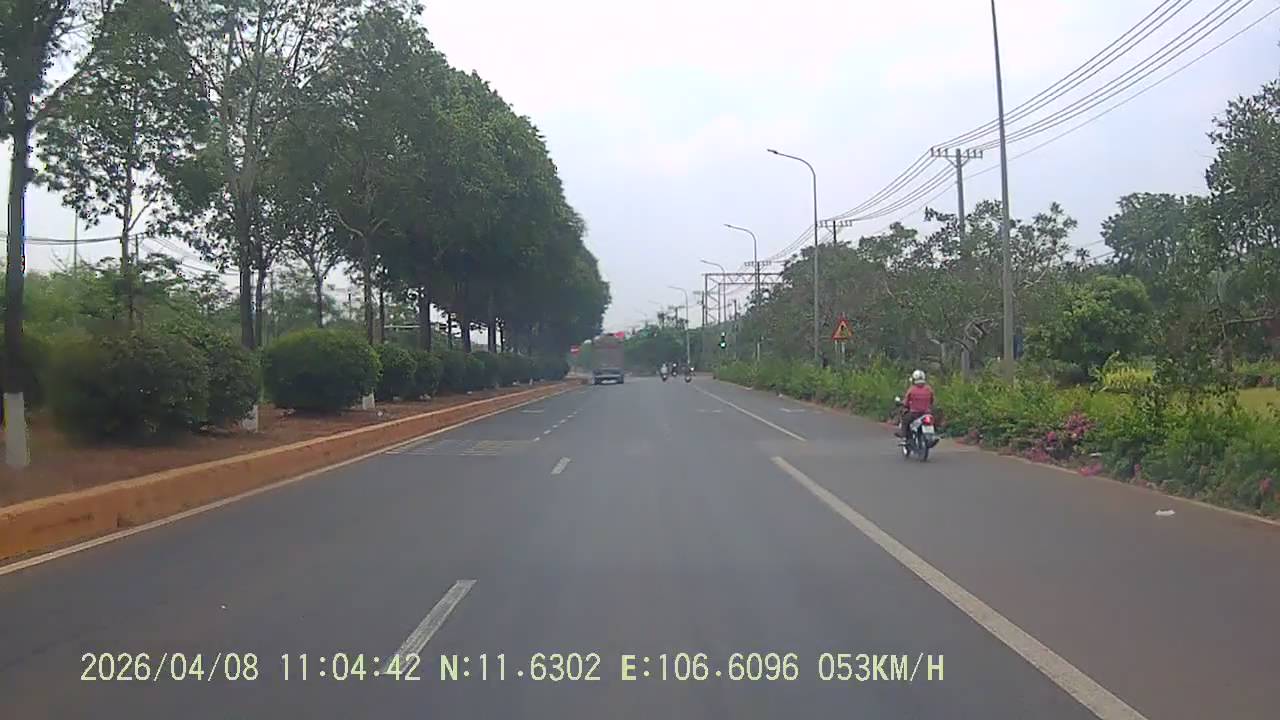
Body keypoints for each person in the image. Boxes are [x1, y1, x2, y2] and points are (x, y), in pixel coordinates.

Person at [898, 369, 935, 440]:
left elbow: (906, 402)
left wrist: (904, 404)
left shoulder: (911, 390)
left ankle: (904, 437)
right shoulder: (929, 389)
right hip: (926, 413)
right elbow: (932, 400)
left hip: (914, 413)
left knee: (905, 420)